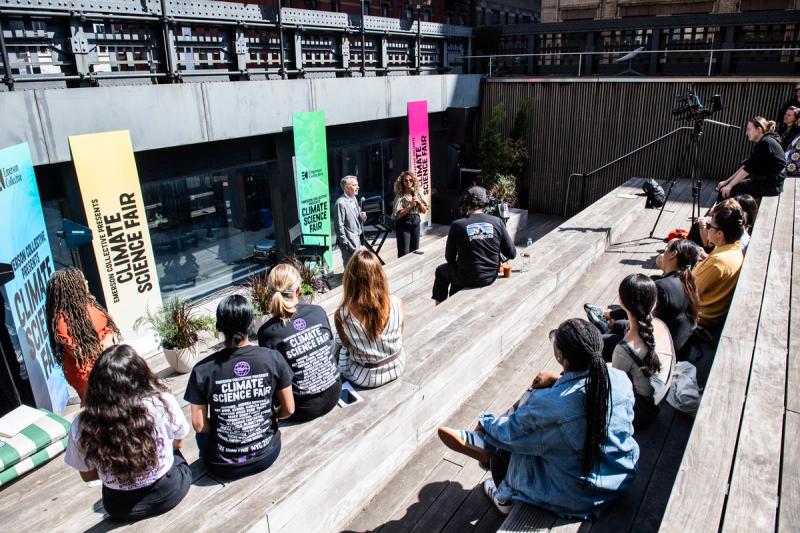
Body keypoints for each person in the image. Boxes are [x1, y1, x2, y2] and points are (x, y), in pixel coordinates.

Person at [437, 319, 638, 519]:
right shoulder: (619, 379)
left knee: (512, 446)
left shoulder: (549, 405)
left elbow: (511, 433)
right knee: (537, 430)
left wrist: (485, 422)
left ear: (560, 354)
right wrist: (557, 381)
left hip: (580, 496)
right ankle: (484, 443)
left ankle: (502, 494)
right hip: (618, 477)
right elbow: (581, 400)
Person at [64, 345, 191, 521]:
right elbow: (178, 443)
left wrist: (118, 468)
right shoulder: (161, 402)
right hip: (168, 493)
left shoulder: (81, 424)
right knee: (176, 456)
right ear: (140, 375)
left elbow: (87, 475)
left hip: (120, 507)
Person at [185, 295, 294, 480]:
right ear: (251, 323)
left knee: (202, 437)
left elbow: (199, 425)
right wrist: (271, 416)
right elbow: (289, 409)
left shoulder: (202, 370)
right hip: (267, 454)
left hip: (223, 466)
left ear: (219, 326)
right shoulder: (272, 358)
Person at [586, 238, 701, 360]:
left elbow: (638, 312)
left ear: (673, 254)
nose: (663, 253)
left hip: (662, 350)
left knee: (599, 343)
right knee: (619, 325)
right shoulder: (689, 282)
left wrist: (615, 317)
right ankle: (604, 324)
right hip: (678, 342)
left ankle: (604, 327)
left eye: (666, 248)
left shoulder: (663, 287)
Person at [257, 263, 341, 422]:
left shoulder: (267, 332)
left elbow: (273, 377)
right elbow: (329, 346)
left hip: (301, 408)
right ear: (298, 290)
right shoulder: (318, 311)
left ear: (270, 293)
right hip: (334, 392)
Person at [609, 274, 675, 429]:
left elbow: (616, 389)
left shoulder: (623, 349)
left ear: (622, 302)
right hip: (658, 395)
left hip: (641, 411)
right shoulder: (659, 325)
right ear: (654, 303)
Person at [431, 186, 516, 303]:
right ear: (486, 202)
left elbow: (449, 258)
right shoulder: (497, 222)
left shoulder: (457, 225)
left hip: (466, 277)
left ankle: (440, 307)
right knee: (457, 280)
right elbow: (511, 254)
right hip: (490, 277)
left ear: (466, 203)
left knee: (441, 271)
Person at [46, 267, 120, 400]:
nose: (86, 282)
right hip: (88, 373)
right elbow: (77, 353)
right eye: (82, 280)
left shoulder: (89, 303)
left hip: (106, 360)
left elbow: (109, 323)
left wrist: (108, 338)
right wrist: (103, 349)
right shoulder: (62, 321)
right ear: (73, 287)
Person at [334, 249, 405, 388]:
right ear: (380, 275)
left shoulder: (342, 314)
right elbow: (400, 333)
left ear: (350, 279)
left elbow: (347, 345)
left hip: (365, 376)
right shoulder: (397, 302)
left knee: (338, 346)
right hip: (396, 365)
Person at [693, 201, 745, 336]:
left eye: (710, 226)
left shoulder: (718, 261)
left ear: (720, 234)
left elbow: (689, 291)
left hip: (698, 317)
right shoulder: (734, 247)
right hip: (709, 312)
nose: (708, 228)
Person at [717, 117, 786, 199]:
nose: (746, 133)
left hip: (771, 186)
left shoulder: (765, 143)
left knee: (725, 192)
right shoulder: (767, 141)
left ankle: (725, 211)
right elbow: (747, 165)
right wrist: (727, 181)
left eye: (749, 129)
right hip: (769, 182)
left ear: (759, 129)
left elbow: (748, 169)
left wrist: (730, 186)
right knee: (727, 188)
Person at [392, 171, 430, 258]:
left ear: (414, 181)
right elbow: (397, 216)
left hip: (416, 224)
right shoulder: (400, 196)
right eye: (406, 180)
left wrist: (419, 202)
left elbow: (424, 211)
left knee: (415, 250)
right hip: (404, 225)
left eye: (410, 180)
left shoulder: (417, 193)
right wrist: (410, 206)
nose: (408, 182)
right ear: (402, 182)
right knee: (404, 252)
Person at [334, 175, 368, 267]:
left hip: (357, 239)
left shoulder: (354, 198)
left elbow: (355, 218)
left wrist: (362, 216)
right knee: (350, 268)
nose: (358, 187)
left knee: (357, 266)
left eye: (357, 185)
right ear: (346, 188)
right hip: (349, 242)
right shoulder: (340, 203)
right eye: (354, 185)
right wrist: (345, 244)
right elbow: (338, 226)